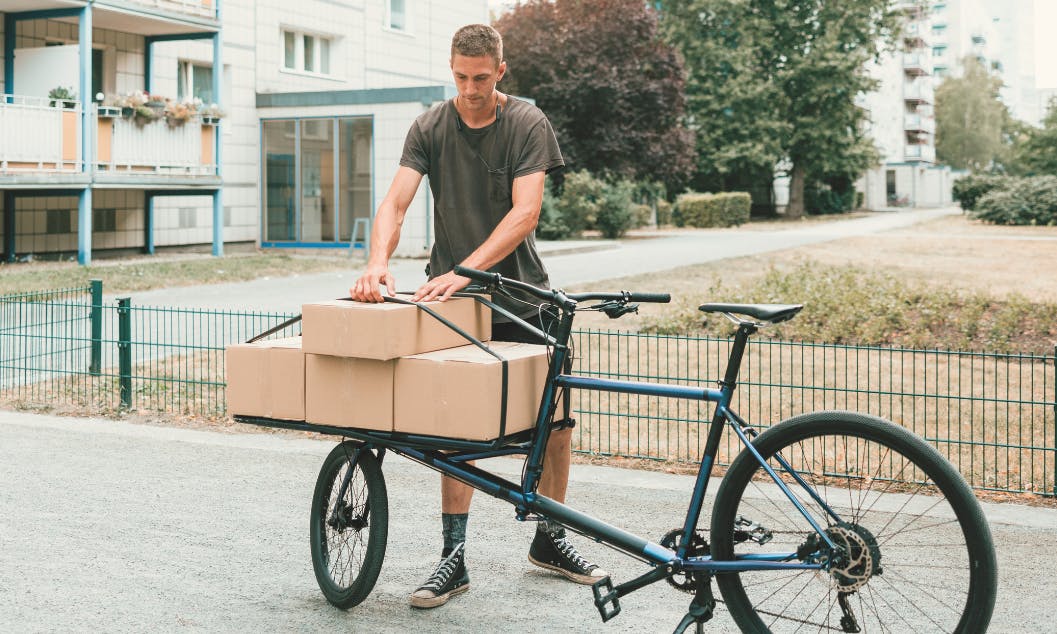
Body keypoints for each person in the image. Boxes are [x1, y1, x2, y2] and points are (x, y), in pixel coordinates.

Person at [349, 23, 606, 609]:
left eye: (481, 78)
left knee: (555, 423)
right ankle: (453, 559)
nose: (470, 90)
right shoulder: (430, 126)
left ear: (501, 71)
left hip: (524, 299)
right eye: (461, 78)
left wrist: (467, 269)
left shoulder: (526, 124)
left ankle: (550, 540)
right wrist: (378, 260)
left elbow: (525, 213)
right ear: (452, 70)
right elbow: (395, 200)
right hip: (455, 303)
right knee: (454, 422)